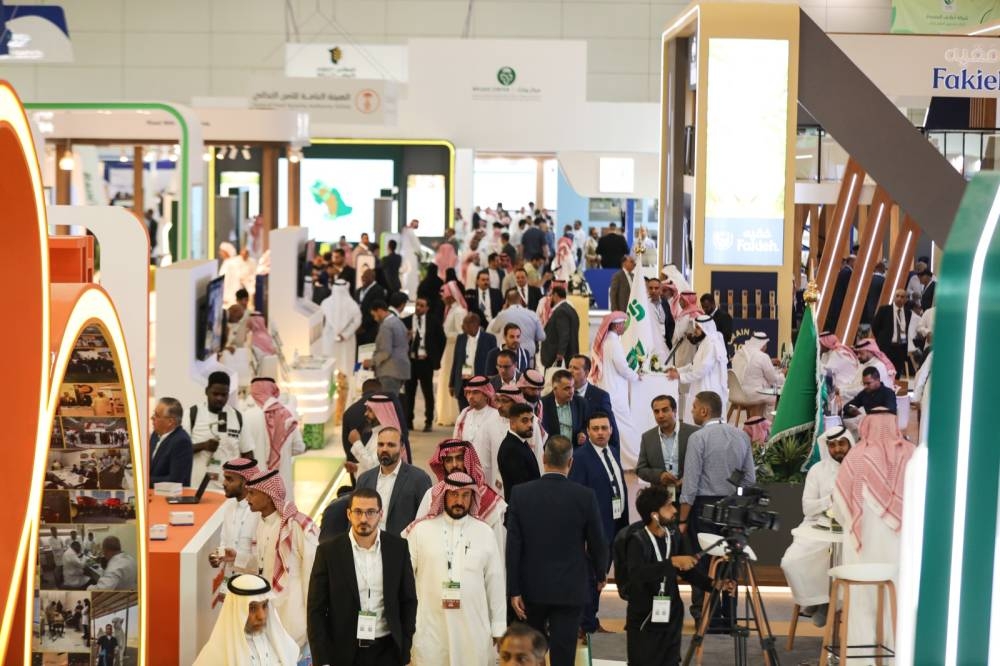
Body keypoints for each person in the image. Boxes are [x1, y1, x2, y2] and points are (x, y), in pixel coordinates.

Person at [507, 435, 608, 666]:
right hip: (570, 589)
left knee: (532, 653)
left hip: (532, 588)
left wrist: (514, 589)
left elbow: (513, 547)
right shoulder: (585, 496)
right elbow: (598, 543)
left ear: (543, 459)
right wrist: (601, 574)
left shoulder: (520, 494)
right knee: (564, 653)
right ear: (570, 462)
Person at [832, 409, 915, 654]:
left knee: (862, 601)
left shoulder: (856, 457)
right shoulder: (912, 456)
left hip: (861, 551)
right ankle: (899, 654)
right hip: (902, 550)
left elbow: (839, 507)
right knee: (899, 600)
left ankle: (862, 656)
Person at [307, 487, 418, 666]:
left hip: (388, 651)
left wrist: (404, 648)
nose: (364, 519)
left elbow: (408, 601)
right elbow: (316, 610)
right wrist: (321, 660)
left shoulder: (398, 548)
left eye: (370, 512)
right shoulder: (328, 552)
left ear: (380, 514)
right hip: (343, 653)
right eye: (358, 512)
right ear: (348, 514)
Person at [405, 472, 507, 665]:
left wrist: (499, 628)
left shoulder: (484, 532)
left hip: (472, 628)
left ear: (472, 496)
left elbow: (495, 582)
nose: (459, 501)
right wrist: (406, 625)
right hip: (431, 628)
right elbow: (406, 582)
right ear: (444, 494)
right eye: (454, 494)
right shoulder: (420, 531)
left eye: (465, 495)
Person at [678, 391, 755, 618]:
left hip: (704, 507)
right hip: (734, 508)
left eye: (694, 407)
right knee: (730, 560)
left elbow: (690, 484)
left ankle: (706, 616)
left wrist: (682, 519)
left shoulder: (698, 438)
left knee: (702, 561)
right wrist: (736, 498)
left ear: (704, 411)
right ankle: (730, 616)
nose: (692, 411)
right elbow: (750, 479)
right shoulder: (741, 436)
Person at [625, 486, 716, 666]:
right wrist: (671, 562)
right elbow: (636, 575)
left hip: (672, 612)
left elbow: (687, 570)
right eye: (667, 506)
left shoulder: (673, 535)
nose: (674, 510)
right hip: (645, 615)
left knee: (671, 661)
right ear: (654, 515)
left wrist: (712, 584)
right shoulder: (637, 540)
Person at [780, 426, 854, 628]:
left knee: (841, 558)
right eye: (832, 445)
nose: (837, 449)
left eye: (841, 444)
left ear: (850, 443)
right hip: (817, 527)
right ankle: (815, 598)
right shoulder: (817, 470)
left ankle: (829, 604)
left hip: (850, 531)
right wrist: (830, 499)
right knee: (790, 562)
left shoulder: (859, 469)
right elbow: (808, 508)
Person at [245, 468, 319, 648]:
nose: (247, 498)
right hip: (268, 610)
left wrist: (313, 618)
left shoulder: (296, 526)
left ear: (268, 496)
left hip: (294, 613)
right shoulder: (261, 524)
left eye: (252, 493)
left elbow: (313, 575)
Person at [570, 412, 629, 635]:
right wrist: (582, 535)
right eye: (595, 429)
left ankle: (590, 621)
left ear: (611, 430)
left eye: (604, 428)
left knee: (601, 576)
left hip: (615, 524)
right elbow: (577, 498)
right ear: (588, 431)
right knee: (591, 578)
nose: (600, 433)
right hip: (594, 530)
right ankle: (586, 624)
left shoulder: (613, 451)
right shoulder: (580, 457)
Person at [410, 438, 507, 551]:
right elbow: (419, 537)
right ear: (443, 464)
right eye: (449, 460)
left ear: (468, 460)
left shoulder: (492, 502)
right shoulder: (432, 495)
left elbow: (499, 549)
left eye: (459, 458)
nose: (455, 464)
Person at [194, 573, 300, 665]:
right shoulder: (216, 654)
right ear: (236, 610)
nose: (262, 616)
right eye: (252, 608)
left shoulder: (278, 644)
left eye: (264, 606)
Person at [356, 426, 433, 536]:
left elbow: (427, 519)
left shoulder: (419, 479)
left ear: (402, 449)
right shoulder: (364, 479)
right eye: (381, 444)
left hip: (403, 543)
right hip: (368, 542)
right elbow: (355, 516)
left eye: (391, 445)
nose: (384, 449)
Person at [590, 312, 640, 463]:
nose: (625, 327)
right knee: (624, 425)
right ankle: (631, 459)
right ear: (617, 325)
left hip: (608, 388)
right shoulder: (613, 343)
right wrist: (636, 376)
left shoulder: (607, 341)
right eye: (623, 324)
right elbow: (622, 367)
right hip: (615, 391)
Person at [244, 378, 305, 501]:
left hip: (256, 487)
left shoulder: (246, 416)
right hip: (282, 486)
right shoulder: (287, 414)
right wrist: (283, 451)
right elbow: (299, 448)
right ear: (274, 390)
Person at [189, 371, 251, 491]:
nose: (219, 398)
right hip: (198, 488)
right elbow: (180, 450)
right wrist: (203, 445)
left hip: (229, 491)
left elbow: (247, 454)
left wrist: (247, 483)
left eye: (224, 394)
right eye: (215, 394)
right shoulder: (192, 414)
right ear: (207, 391)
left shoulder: (237, 417)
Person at [667, 315, 729, 424]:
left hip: (708, 388)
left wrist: (680, 376)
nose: (695, 331)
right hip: (702, 386)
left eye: (698, 328)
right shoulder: (705, 342)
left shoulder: (712, 344)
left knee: (707, 421)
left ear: (706, 329)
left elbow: (702, 370)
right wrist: (678, 370)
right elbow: (694, 365)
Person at [209, 458, 262, 583]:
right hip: (229, 580)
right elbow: (224, 542)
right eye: (225, 478)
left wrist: (237, 558)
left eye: (230, 479)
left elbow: (264, 560)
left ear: (245, 482)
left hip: (254, 583)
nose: (224, 483)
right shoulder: (229, 508)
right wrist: (218, 557)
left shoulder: (259, 512)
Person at [636, 395, 699, 497]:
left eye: (665, 410)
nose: (660, 415)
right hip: (660, 496)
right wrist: (659, 476)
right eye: (656, 412)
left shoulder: (693, 433)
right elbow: (640, 469)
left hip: (689, 494)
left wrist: (688, 478)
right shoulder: (647, 437)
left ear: (675, 411)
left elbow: (705, 464)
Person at [453, 376, 508, 490]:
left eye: (475, 392)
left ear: (486, 394)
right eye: (468, 393)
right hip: (467, 476)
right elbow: (455, 446)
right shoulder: (464, 415)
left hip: (490, 477)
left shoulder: (497, 416)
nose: (470, 396)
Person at [403, 296, 444, 432]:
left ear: (427, 308)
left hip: (426, 362)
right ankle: (408, 421)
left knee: (428, 392)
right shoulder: (406, 321)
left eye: (422, 305)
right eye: (417, 304)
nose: (418, 307)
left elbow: (441, 339)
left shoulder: (433, 321)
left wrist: (435, 357)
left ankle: (428, 421)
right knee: (409, 392)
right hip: (410, 361)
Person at [568, 354, 621, 451]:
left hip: (591, 450)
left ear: (586, 373)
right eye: (569, 367)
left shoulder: (600, 396)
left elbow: (610, 426)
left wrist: (614, 454)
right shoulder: (563, 394)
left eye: (575, 368)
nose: (570, 371)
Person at [450, 314, 499, 411]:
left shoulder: (489, 339)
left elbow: (493, 362)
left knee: (481, 411)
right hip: (463, 382)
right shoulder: (460, 338)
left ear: (475, 324)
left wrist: (493, 383)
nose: (462, 327)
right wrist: (451, 384)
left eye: (466, 324)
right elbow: (456, 361)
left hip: (481, 383)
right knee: (464, 412)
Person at [437, 282, 469, 426]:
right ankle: (445, 414)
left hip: (453, 348)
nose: (442, 297)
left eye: (444, 293)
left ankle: (453, 415)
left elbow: (462, 334)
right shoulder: (450, 310)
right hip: (448, 348)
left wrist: (445, 336)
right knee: (445, 379)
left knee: (450, 378)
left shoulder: (459, 312)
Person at [363, 300, 411, 395]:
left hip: (389, 371)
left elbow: (385, 352)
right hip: (400, 369)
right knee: (393, 399)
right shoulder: (398, 322)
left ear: (379, 311)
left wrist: (371, 362)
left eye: (374, 315)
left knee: (387, 400)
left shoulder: (386, 326)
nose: (375, 319)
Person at [497, 402, 543, 501]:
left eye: (531, 420)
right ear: (512, 424)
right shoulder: (511, 449)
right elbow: (521, 487)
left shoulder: (519, 442)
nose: (530, 425)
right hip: (521, 506)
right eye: (525, 421)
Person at [731, 332, 784, 411]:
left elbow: (750, 365)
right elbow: (773, 380)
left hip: (736, 394)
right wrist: (783, 374)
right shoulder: (762, 356)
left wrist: (770, 361)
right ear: (763, 344)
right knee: (774, 398)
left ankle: (758, 417)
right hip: (752, 395)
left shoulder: (739, 353)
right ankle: (766, 419)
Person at [321, 278, 363, 378]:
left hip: (330, 340)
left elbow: (321, 321)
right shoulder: (353, 304)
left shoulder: (325, 303)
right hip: (345, 340)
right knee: (344, 366)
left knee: (331, 366)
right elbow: (357, 321)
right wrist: (345, 334)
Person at [149, 397, 193, 487]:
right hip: (151, 493)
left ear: (170, 421)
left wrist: (144, 481)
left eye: (157, 415)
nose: (152, 418)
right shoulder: (155, 434)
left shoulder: (181, 441)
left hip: (169, 494)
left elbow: (175, 480)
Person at [487, 291, 546, 358]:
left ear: (507, 301)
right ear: (521, 300)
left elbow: (494, 329)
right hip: (528, 355)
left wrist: (502, 311)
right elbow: (541, 336)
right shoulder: (532, 314)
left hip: (508, 356)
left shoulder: (502, 315)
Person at [540, 369, 589, 446]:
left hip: (575, 450)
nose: (571, 391)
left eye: (573, 387)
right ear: (555, 389)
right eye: (567, 388)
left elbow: (587, 425)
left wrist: (583, 434)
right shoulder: (542, 404)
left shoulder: (581, 403)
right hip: (551, 450)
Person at [872, 288, 912, 377]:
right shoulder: (884, 310)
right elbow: (875, 327)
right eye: (897, 296)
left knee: (896, 375)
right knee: (883, 373)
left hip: (900, 348)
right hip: (886, 347)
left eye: (902, 297)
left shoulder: (908, 312)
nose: (899, 298)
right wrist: (882, 339)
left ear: (906, 299)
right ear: (894, 297)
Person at [539, 285, 579, 369]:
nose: (550, 299)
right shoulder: (570, 309)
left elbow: (564, 334)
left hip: (559, 356)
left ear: (555, 295)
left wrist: (560, 353)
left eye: (551, 296)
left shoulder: (561, 311)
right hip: (568, 353)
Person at [357, 269, 388, 345]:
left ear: (372, 277)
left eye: (366, 277)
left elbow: (376, 310)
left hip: (369, 330)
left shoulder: (379, 290)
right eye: (363, 276)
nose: (363, 279)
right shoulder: (358, 291)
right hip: (357, 329)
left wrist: (363, 326)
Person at [399, 218, 423, 297]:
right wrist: (420, 254)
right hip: (410, 257)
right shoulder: (410, 231)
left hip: (404, 256)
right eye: (416, 224)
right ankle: (412, 295)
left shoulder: (404, 231)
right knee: (411, 276)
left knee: (404, 275)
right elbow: (417, 245)